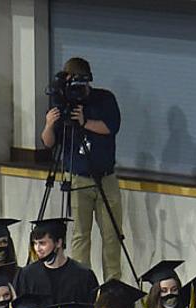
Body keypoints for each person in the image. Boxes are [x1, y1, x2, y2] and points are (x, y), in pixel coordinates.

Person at [40, 56, 122, 281]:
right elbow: (48, 142)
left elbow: (111, 127)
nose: (79, 91)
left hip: (105, 178)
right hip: (77, 178)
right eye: (75, 86)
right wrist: (49, 124)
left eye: (82, 86)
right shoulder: (61, 104)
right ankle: (81, 285)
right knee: (80, 236)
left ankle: (113, 285)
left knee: (112, 235)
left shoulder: (104, 99)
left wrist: (85, 122)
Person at [16, 216, 98, 307]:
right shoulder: (27, 275)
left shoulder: (83, 275)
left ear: (58, 242)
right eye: (35, 243)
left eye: (42, 243)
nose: (37, 249)